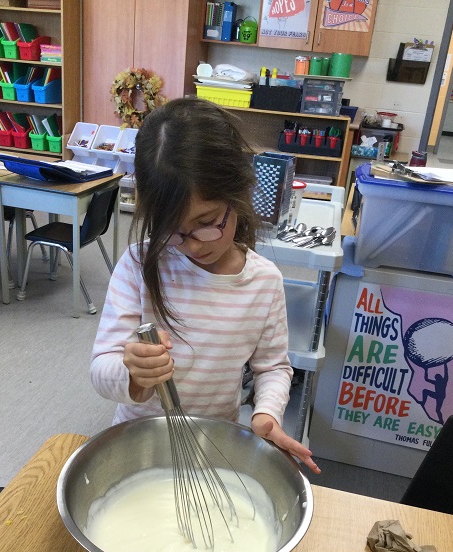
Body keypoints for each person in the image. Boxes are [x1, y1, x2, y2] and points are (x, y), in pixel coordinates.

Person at [90, 97, 320, 474]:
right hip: (136, 447)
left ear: (239, 192)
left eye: (207, 221)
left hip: (214, 447)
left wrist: (266, 415)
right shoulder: (138, 266)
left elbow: (273, 368)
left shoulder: (262, 282)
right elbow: (102, 368)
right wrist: (131, 375)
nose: (194, 244)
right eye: (173, 231)